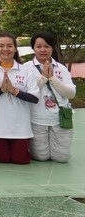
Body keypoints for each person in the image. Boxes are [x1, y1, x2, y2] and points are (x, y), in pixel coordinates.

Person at [0, 33, 39, 165]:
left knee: (20, 160)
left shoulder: (25, 71)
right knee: (2, 159)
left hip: (20, 128)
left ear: (15, 48)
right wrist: (1, 90)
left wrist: (14, 91)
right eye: (1, 46)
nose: (5, 49)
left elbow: (34, 98)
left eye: (9, 46)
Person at [29, 32, 75, 163]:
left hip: (59, 118)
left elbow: (71, 93)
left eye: (47, 46)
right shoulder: (27, 68)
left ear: (52, 48)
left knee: (62, 158)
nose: (43, 50)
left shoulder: (61, 68)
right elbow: (27, 93)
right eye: (38, 46)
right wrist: (43, 77)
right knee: (41, 157)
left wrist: (53, 79)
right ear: (33, 48)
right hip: (37, 119)